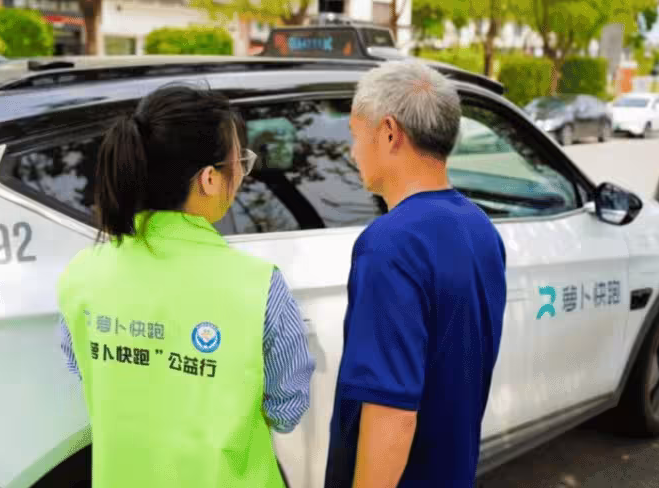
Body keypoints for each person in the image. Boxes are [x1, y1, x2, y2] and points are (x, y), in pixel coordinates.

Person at [56, 83, 315, 488]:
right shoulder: (259, 285)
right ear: (210, 179)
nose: (241, 176)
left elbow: (85, 371)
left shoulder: (82, 274)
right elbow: (286, 409)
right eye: (239, 163)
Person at [324, 61, 507, 488]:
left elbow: (393, 413)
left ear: (389, 132)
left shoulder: (390, 245)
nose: (353, 152)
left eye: (355, 136)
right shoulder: (481, 228)